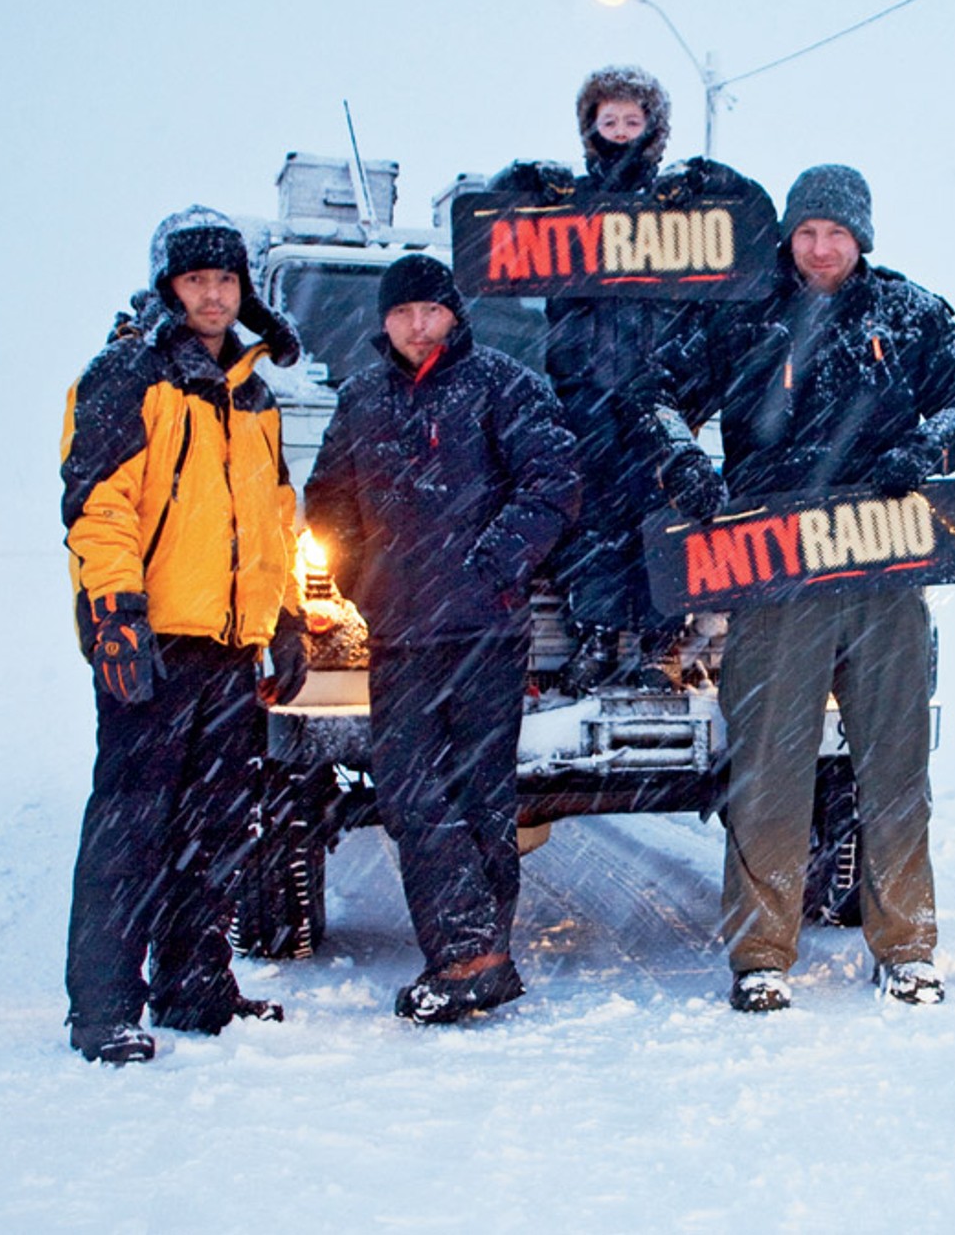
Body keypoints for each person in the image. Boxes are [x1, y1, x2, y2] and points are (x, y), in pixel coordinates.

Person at [647, 165, 955, 1012]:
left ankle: (909, 946)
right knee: (770, 771)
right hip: (773, 571)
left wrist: (923, 453)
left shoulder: (909, 313)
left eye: (836, 234)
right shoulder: (741, 311)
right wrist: (684, 463)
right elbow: (656, 396)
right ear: (789, 236)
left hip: (885, 564)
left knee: (893, 767)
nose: (820, 247)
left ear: (862, 240)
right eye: (807, 231)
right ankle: (762, 955)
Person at [59, 206, 310, 1064]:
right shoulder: (129, 375)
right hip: (154, 642)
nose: (212, 293)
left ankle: (195, 987)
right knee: (131, 828)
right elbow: (98, 507)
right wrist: (114, 615)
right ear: (170, 286)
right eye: (197, 279)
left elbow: (274, 518)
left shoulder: (252, 392)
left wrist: (284, 619)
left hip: (231, 649)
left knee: (215, 825)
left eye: (226, 280)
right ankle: (103, 1009)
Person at [303, 255, 579, 1024]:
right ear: (384, 323)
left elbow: (554, 482)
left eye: (431, 311)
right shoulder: (359, 399)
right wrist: (362, 583)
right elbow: (326, 503)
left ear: (454, 314)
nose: (417, 326)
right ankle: (475, 956)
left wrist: (496, 561)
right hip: (398, 632)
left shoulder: (503, 384)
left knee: (481, 799)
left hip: (485, 630)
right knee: (409, 793)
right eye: (403, 314)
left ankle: (470, 960)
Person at [489, 64, 744, 689]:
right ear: (591, 127)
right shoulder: (566, 208)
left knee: (664, 518)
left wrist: (716, 179)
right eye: (610, 121)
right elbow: (486, 223)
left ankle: (658, 647)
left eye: (634, 120)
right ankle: (597, 638)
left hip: (664, 399)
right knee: (592, 519)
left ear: (653, 128)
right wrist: (520, 179)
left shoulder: (680, 211)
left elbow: (753, 225)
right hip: (583, 397)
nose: (622, 132)